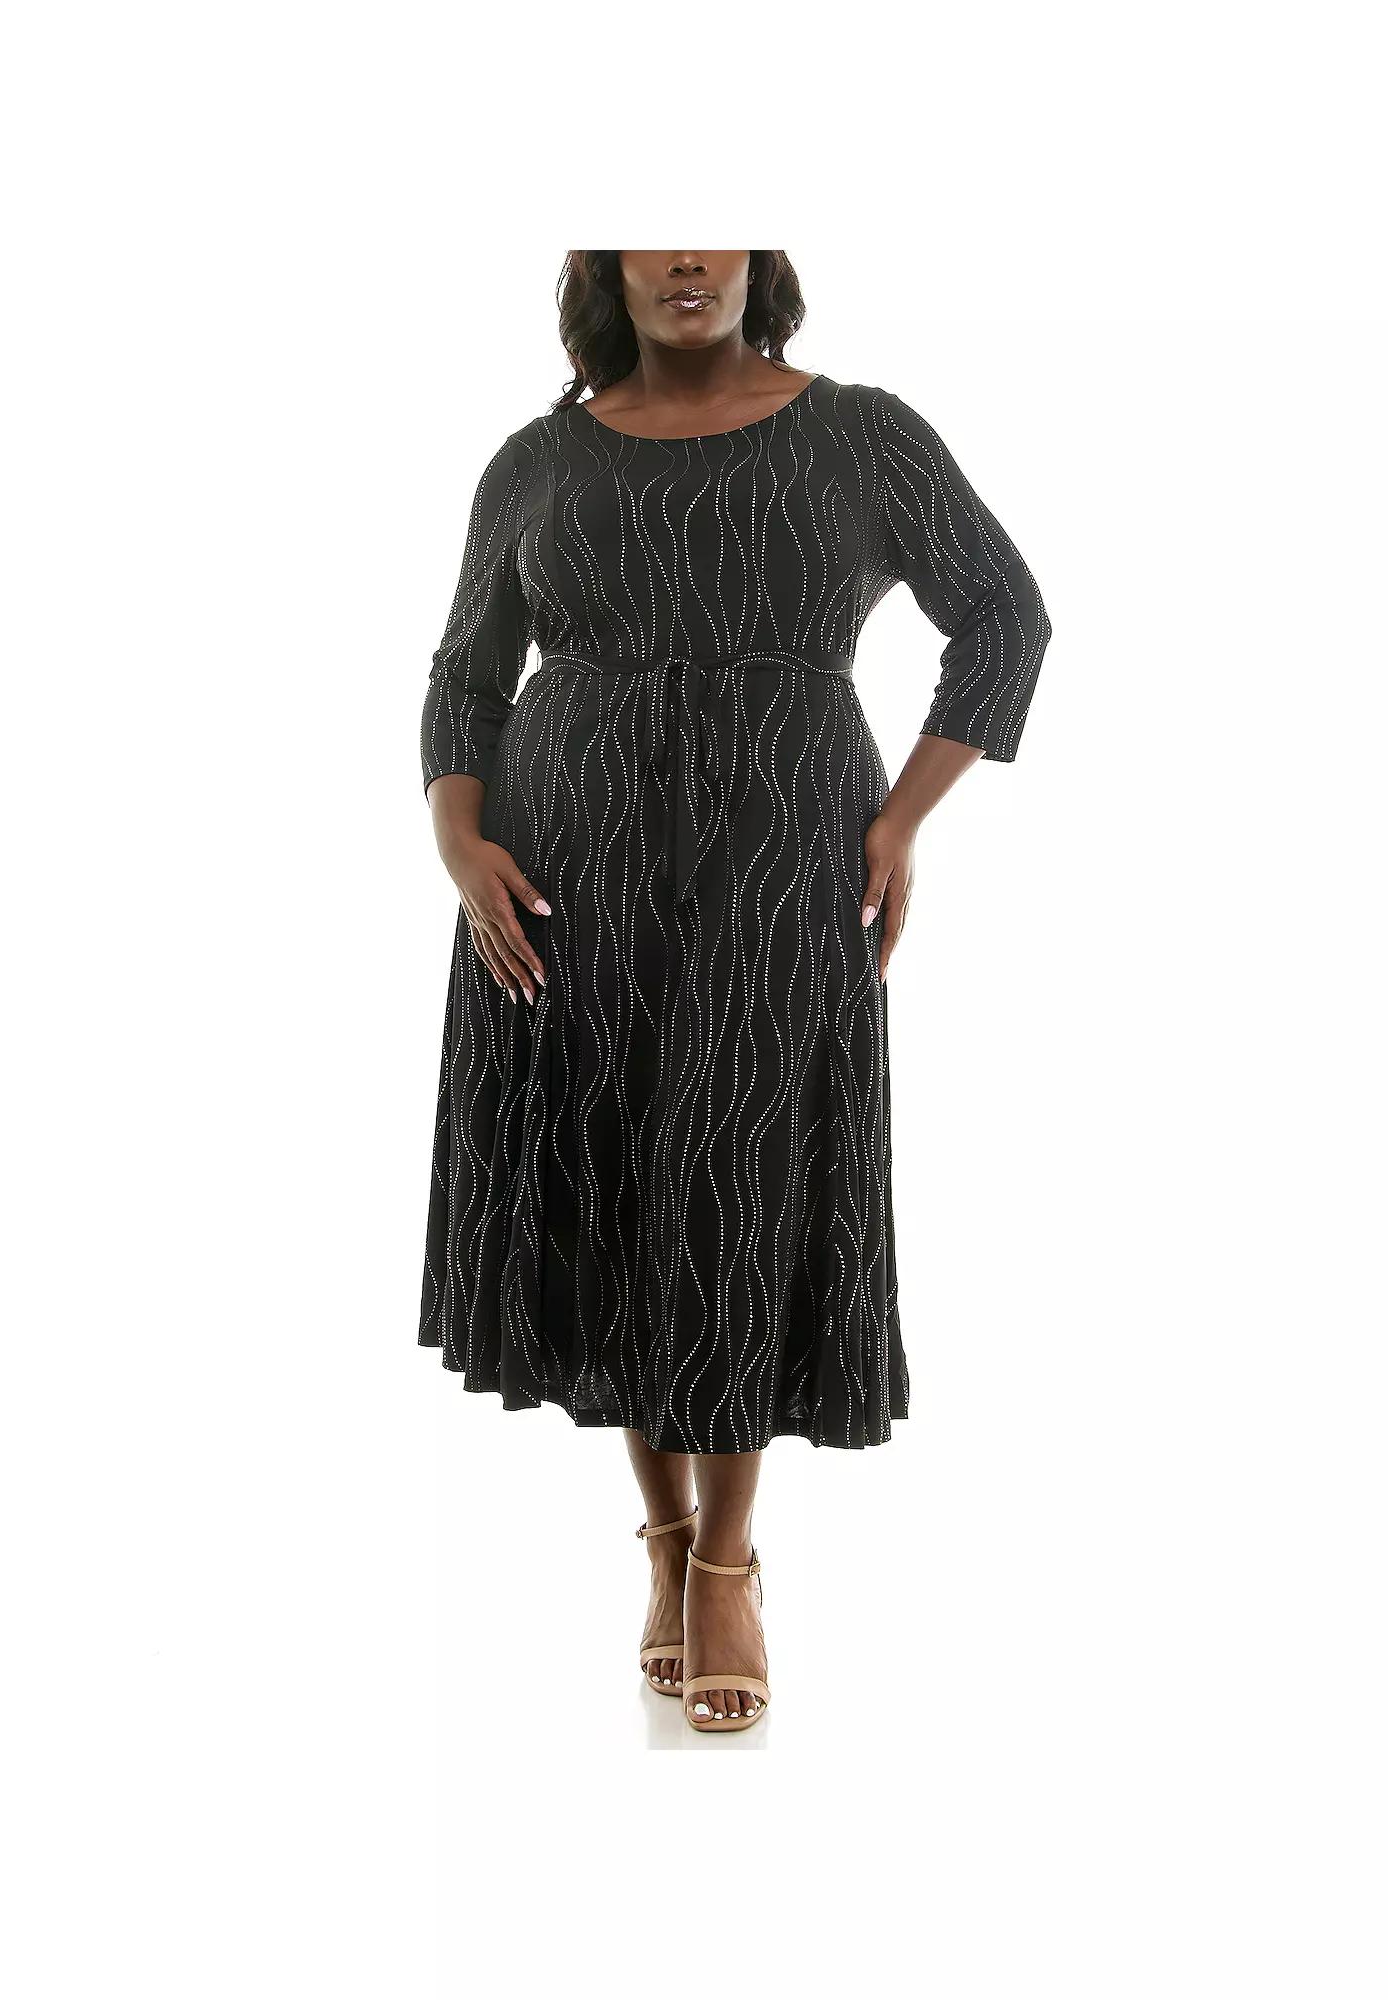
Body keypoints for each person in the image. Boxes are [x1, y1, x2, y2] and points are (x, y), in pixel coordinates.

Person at [417, 250, 1052, 1732]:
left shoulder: (860, 431)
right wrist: (457, 840)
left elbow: (1005, 614)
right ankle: (663, 1537)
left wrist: (902, 819)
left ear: (762, 253)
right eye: (651, 225)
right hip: (563, 863)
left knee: (737, 1178)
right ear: (608, 263)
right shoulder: (535, 459)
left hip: (781, 852)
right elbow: (464, 679)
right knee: (611, 1178)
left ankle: (728, 1558)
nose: (688, 254)